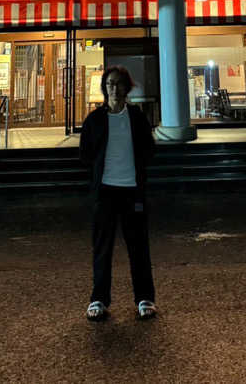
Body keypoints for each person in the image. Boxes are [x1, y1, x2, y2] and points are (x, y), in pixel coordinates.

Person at [79, 64, 157, 321]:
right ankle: (99, 299)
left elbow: (148, 149)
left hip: (132, 191)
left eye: (118, 83)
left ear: (126, 87)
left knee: (138, 246)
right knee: (102, 247)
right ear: (105, 88)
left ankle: (145, 298)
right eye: (109, 84)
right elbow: (86, 154)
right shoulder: (95, 120)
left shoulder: (136, 117)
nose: (113, 88)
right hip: (105, 191)